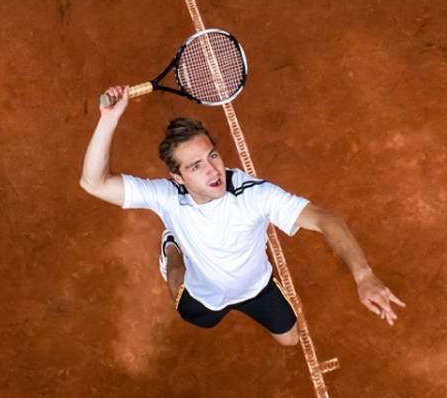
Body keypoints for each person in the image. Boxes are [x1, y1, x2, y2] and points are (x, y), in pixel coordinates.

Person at [80, 86, 405, 347]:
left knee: (290, 340)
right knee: (185, 303)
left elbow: (326, 219)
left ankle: (176, 248)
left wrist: (363, 276)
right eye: (196, 166)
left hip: (256, 288)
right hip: (202, 293)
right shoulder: (166, 196)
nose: (212, 170)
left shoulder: (253, 194)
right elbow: (93, 183)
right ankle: (172, 251)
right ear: (177, 177)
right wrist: (108, 119)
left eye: (213, 156)